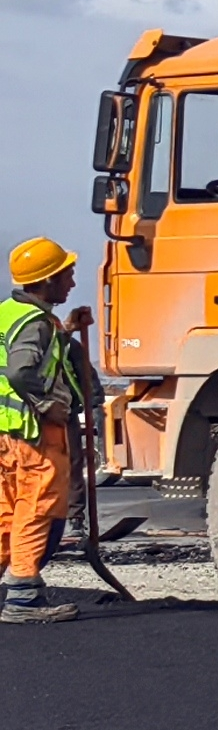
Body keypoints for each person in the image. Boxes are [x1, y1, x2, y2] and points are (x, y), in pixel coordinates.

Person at [3, 236, 98, 626]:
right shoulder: (37, 324)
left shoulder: (12, 313)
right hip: (36, 433)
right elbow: (21, 370)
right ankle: (23, 597)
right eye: (67, 275)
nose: (72, 283)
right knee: (37, 508)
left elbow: (35, 354)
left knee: (8, 511)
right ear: (46, 281)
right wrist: (47, 402)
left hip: (10, 431)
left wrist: (68, 331)